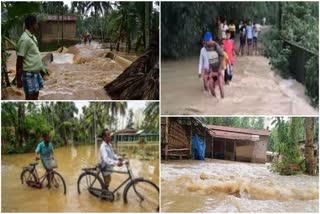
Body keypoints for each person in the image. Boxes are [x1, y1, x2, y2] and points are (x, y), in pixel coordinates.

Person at [16, 15, 44, 100]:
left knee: (36, 94)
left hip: (36, 72)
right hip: (29, 73)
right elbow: (19, 59)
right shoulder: (25, 39)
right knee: (29, 97)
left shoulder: (32, 37)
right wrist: (18, 79)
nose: (37, 26)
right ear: (32, 25)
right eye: (36, 24)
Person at [198, 32, 225, 98]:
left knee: (221, 85)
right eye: (206, 41)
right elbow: (205, 61)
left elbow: (222, 56)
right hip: (211, 70)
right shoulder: (205, 48)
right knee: (210, 84)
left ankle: (223, 99)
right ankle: (215, 99)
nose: (207, 42)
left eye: (208, 41)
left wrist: (220, 68)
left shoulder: (216, 46)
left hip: (218, 69)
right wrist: (201, 71)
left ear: (211, 39)